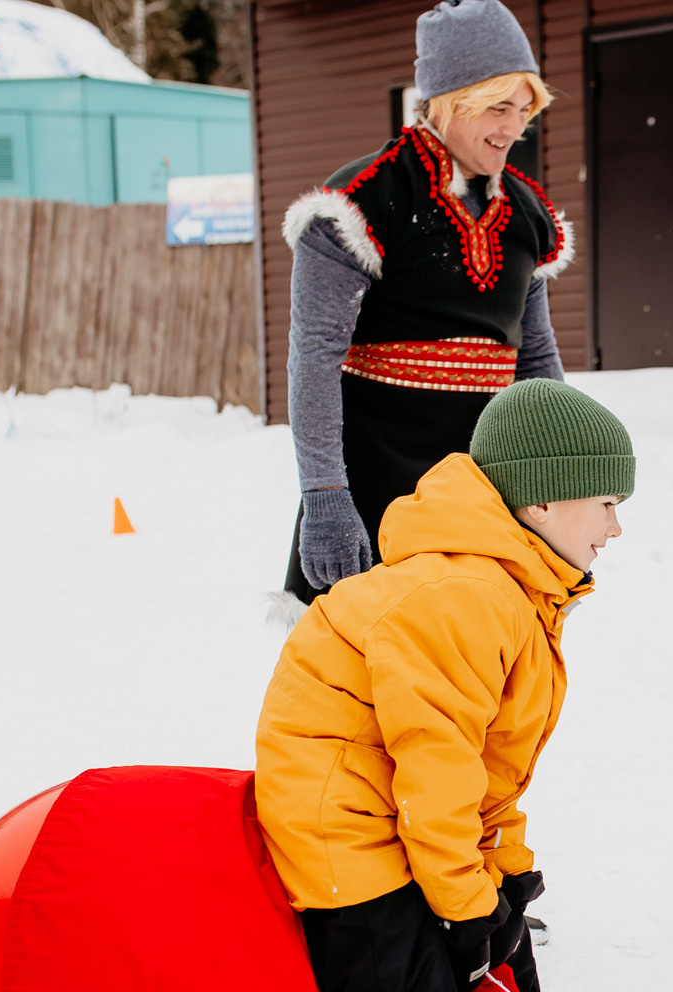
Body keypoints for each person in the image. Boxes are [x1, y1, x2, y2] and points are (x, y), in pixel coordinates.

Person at [254, 378, 634, 992]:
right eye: (605, 502)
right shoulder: (463, 595)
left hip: (408, 825)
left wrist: (507, 877)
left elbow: (486, 771)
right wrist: (464, 903)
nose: (616, 528)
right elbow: (434, 772)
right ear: (541, 502)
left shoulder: (516, 592)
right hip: (350, 837)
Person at [278, 0, 572, 612]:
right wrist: (326, 497)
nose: (514, 128)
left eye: (524, 110)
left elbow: (536, 358)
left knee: (474, 649)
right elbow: (314, 358)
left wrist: (563, 471)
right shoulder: (362, 202)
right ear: (448, 100)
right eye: (498, 107)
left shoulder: (526, 212)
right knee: (364, 652)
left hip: (485, 485)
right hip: (379, 483)